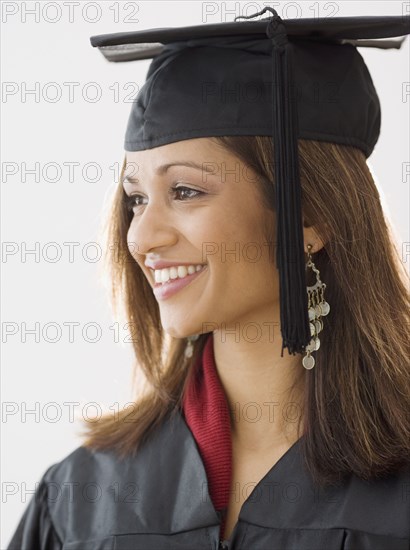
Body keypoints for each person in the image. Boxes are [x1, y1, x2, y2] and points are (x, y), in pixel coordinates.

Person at [7, 7, 410, 550]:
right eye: (136, 199)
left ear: (310, 216)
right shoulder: (84, 498)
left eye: (186, 192)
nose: (140, 237)